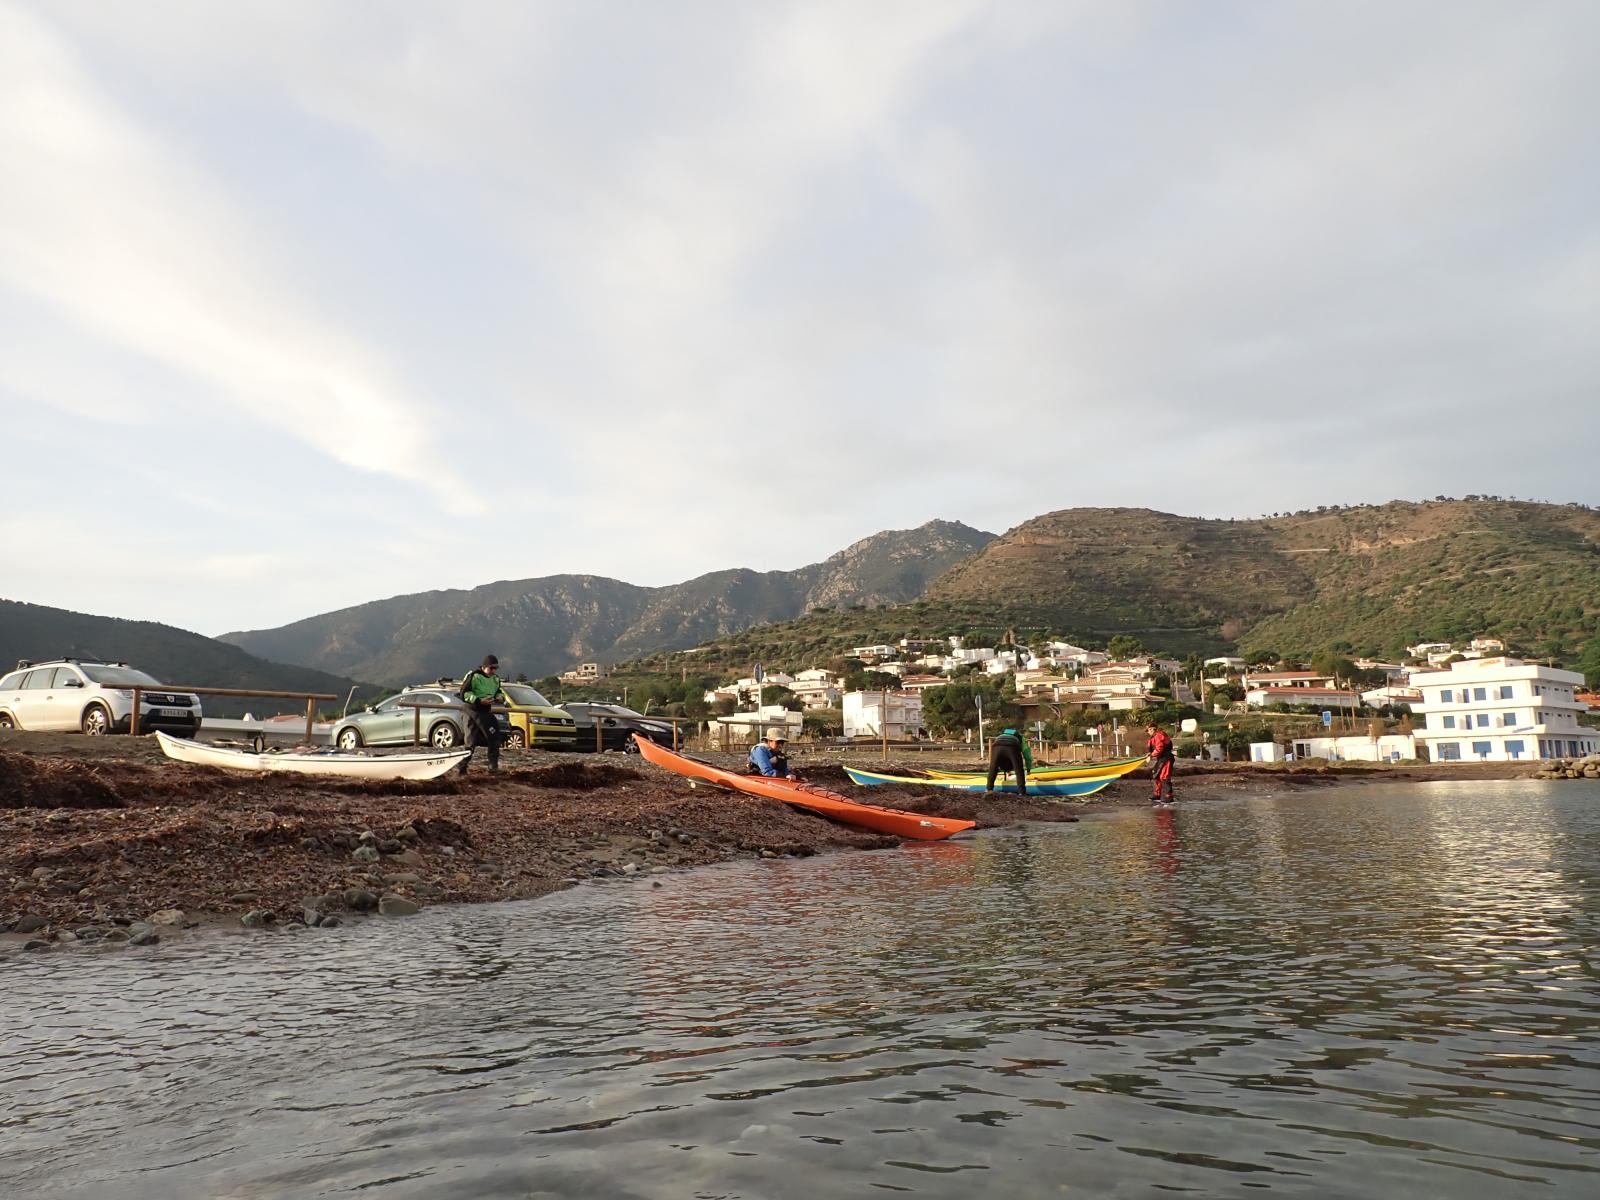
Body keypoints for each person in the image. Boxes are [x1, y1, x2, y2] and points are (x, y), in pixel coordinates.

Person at [458, 654, 505, 775]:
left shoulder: (495, 679)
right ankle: (462, 767)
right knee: (472, 740)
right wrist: (478, 700)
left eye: (495, 668)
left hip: (485, 710)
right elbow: (464, 693)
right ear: (484, 667)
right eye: (491, 668)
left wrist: (499, 697)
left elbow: (498, 691)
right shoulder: (474, 676)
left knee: (491, 736)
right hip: (472, 709)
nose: (493, 671)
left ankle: (492, 766)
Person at [986, 726, 1033, 795]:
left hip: (996, 746)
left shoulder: (1000, 736)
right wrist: (1028, 769)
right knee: (1019, 770)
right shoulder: (1021, 738)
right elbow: (1027, 755)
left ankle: (988, 789)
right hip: (1012, 746)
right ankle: (1022, 792)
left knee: (993, 768)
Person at [1145, 721, 1176, 804]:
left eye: (1148, 730)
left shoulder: (1159, 735)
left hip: (1167, 758)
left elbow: (1159, 748)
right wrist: (1150, 754)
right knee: (1156, 774)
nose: (1148, 732)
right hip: (1161, 759)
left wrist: (1151, 755)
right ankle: (1157, 795)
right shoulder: (1154, 737)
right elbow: (1154, 749)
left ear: (1152, 729)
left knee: (1164, 777)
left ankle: (1169, 796)